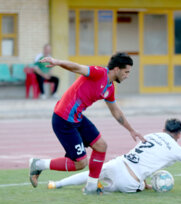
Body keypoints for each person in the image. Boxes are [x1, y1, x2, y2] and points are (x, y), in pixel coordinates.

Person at [29, 52, 145, 195]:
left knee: (101, 146)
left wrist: (132, 130)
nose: (127, 75)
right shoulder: (99, 73)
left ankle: (91, 187)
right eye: (126, 72)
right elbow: (77, 67)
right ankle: (38, 164)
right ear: (116, 69)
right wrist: (57, 62)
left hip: (77, 118)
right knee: (80, 163)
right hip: (63, 119)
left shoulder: (110, 89)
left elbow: (116, 112)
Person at [46, 119, 181, 192]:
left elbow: (144, 157)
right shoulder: (177, 149)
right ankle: (101, 189)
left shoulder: (153, 134)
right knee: (117, 189)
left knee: (93, 173)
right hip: (130, 180)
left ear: (164, 129)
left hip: (118, 163)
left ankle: (57, 184)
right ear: (179, 134)